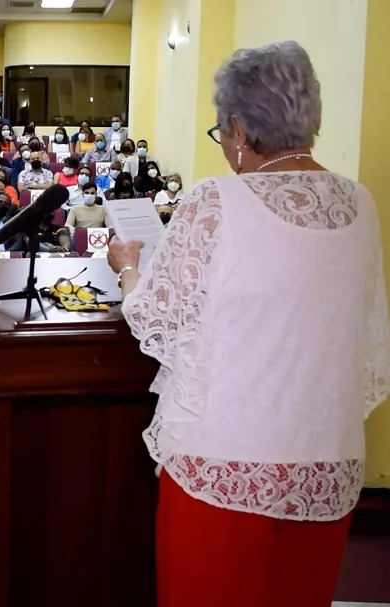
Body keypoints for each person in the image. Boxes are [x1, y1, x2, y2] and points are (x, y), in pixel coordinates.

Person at [110, 40, 390, 607]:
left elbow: (154, 318)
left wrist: (129, 269)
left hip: (223, 464)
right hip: (326, 462)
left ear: (238, 128)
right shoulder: (360, 204)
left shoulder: (216, 199)